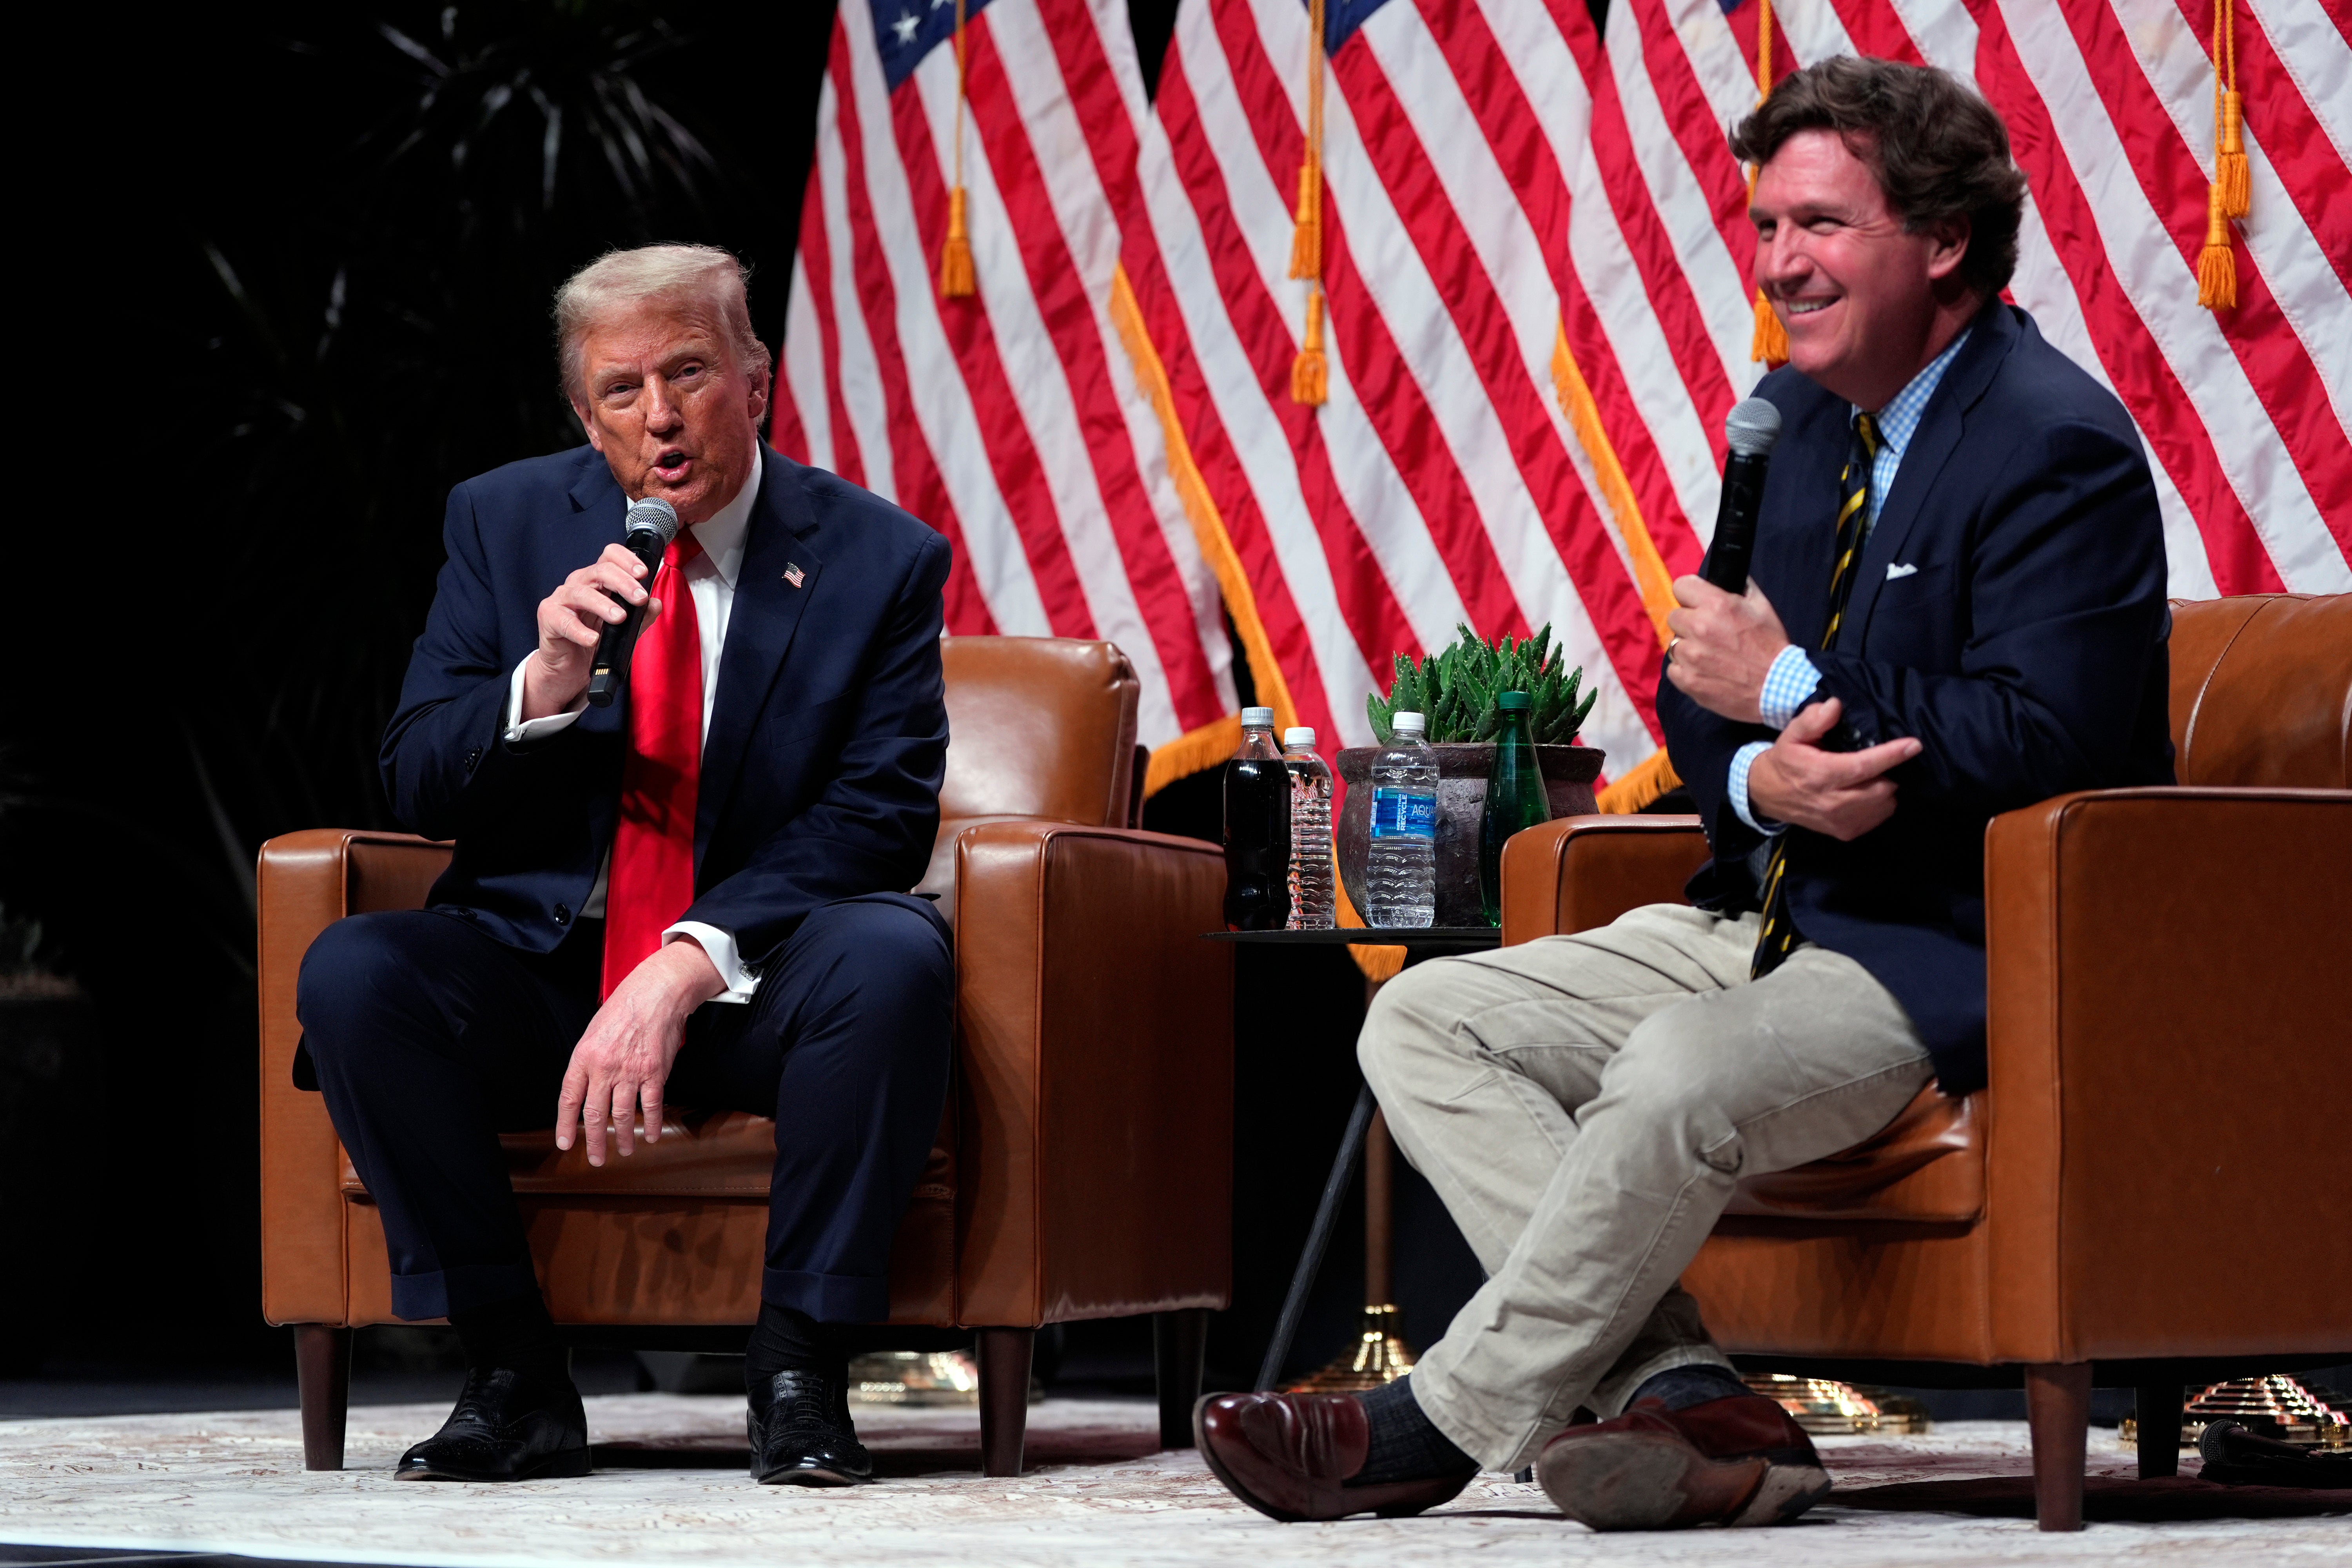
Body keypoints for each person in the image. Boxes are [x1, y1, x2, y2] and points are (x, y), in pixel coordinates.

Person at [1193, 57, 2172, 1531]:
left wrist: (1793, 697)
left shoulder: (2057, 444)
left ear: (1946, 242)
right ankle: (1690, 1401)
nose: (1780, 263)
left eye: (1823, 226)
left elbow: (2058, 739)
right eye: (1768, 225)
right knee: (1425, 1016)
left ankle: (1438, 1422)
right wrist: (1763, 780)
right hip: (1769, 903)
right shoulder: (1796, 415)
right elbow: (1700, 687)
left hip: (1945, 944)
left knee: (1671, 1078)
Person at [295, 245, 956, 1487]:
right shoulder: (501, 523)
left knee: (894, 950)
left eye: (691, 371)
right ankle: (513, 1375)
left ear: (756, 381)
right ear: (584, 415)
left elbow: (879, 817)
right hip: (544, 970)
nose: (660, 416)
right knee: (358, 972)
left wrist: (680, 966)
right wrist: (537, 682)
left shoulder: (880, 558)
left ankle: (801, 1373)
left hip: (755, 983)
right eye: (621, 390)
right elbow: (417, 782)